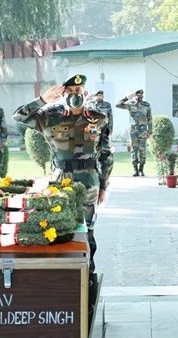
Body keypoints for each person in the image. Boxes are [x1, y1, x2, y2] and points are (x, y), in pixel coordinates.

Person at [12, 74, 111, 274]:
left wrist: (103, 186)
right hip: (60, 183)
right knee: (57, 227)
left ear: (85, 93)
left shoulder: (99, 118)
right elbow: (18, 116)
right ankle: (60, 274)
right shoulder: (50, 116)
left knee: (87, 231)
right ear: (63, 94)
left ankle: (87, 275)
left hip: (89, 183)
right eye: (70, 91)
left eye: (78, 91)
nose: (75, 95)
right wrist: (42, 100)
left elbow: (106, 155)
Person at [115, 89, 152, 177]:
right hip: (134, 130)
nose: (139, 96)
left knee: (142, 149)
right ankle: (135, 169)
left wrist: (150, 131)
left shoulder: (146, 105)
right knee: (134, 149)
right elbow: (117, 105)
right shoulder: (130, 104)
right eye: (137, 94)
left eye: (141, 95)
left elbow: (150, 118)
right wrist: (127, 98)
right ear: (135, 95)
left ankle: (141, 169)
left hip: (143, 130)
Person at [86, 90, 114, 190]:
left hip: (104, 132)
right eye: (98, 95)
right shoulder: (90, 104)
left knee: (105, 155)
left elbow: (110, 118)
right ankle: (96, 177)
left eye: (101, 95)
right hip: (92, 133)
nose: (99, 97)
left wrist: (110, 130)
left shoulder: (107, 105)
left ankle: (104, 179)